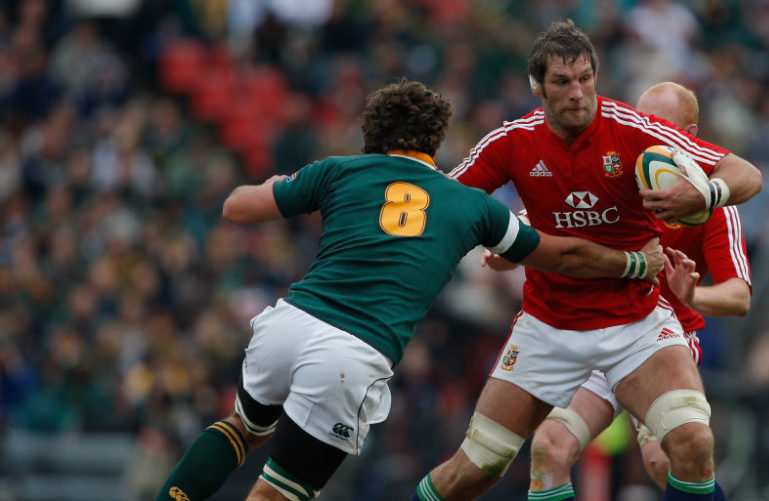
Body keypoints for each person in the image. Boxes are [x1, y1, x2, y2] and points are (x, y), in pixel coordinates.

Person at [153, 79, 666, 501]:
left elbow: (237, 207)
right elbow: (563, 254)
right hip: (351, 351)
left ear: (371, 133)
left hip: (289, 322)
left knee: (242, 427)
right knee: (278, 492)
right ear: (436, 141)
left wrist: (287, 183)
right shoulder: (469, 204)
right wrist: (634, 261)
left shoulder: (338, 171)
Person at [409, 20, 761, 501]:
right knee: (479, 467)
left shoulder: (640, 135)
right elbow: (446, 202)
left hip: (637, 326)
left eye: (585, 80)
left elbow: (745, 173)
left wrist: (710, 193)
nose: (577, 93)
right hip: (548, 328)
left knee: (690, 442)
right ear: (538, 88)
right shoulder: (512, 142)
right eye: (562, 82)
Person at [525, 81, 752, 499]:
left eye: (660, 125)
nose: (648, 135)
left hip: (663, 344)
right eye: (642, 122)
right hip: (598, 331)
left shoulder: (715, 205)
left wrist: (693, 297)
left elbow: (738, 297)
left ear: (690, 134)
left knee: (665, 462)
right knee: (548, 448)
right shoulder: (612, 177)